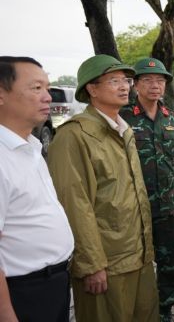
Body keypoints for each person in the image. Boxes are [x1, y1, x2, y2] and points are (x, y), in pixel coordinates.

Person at [48, 54, 159, 321]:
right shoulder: (73, 136)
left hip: (138, 256)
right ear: (92, 89)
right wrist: (91, 265)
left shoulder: (124, 130)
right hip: (106, 263)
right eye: (113, 81)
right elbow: (75, 204)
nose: (124, 87)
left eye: (126, 80)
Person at [0, 56, 75, 322]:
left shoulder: (31, 146)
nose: (47, 97)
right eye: (35, 88)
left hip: (52, 283)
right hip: (21, 291)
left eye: (47, 88)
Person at [119, 57, 174, 321]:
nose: (155, 85)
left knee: (171, 265)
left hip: (168, 207)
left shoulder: (171, 119)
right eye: (148, 80)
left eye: (160, 80)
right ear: (135, 84)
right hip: (134, 210)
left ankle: (164, 313)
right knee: (134, 265)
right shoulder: (122, 118)